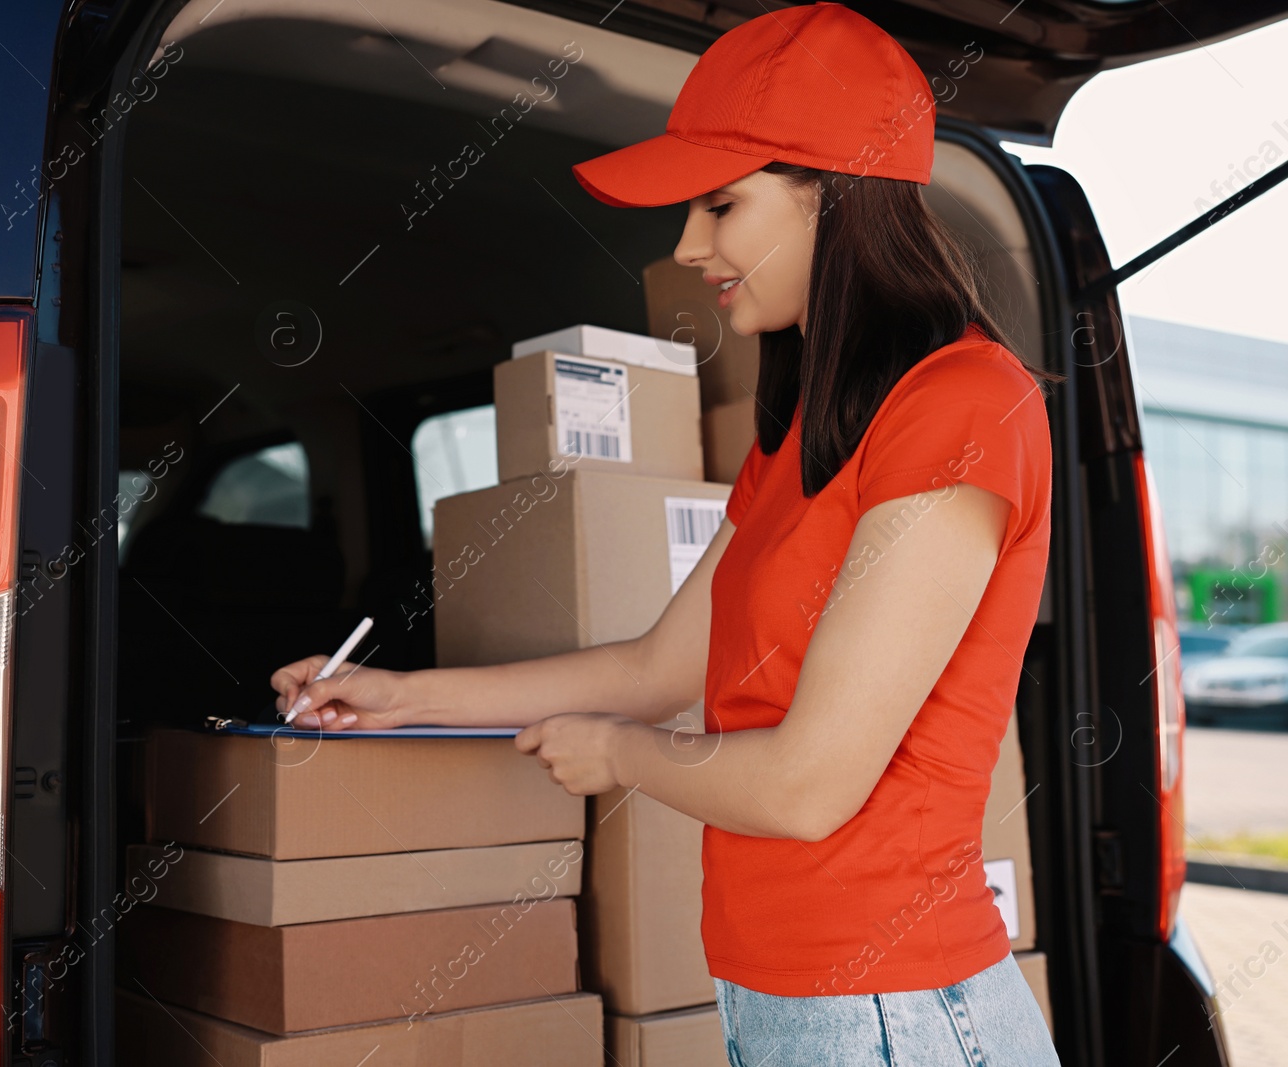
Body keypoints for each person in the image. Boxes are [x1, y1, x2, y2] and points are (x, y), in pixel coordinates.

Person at [270, 3, 1065, 1063]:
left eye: (721, 205)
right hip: (785, 994)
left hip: (894, 1008)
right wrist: (398, 696)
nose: (688, 246)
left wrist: (622, 756)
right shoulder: (797, 438)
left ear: (833, 192)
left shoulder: (962, 406)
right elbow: (653, 665)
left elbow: (805, 784)